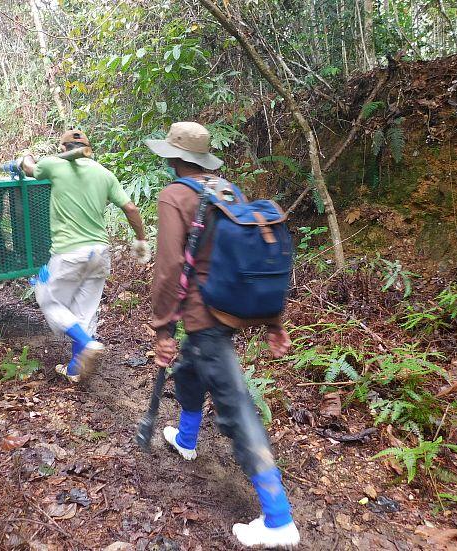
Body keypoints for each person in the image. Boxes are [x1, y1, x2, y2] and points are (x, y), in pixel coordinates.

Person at [146, 122, 300, 548]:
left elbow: (169, 267)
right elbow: (257, 254)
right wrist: (274, 320)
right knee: (189, 368)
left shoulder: (174, 195)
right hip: (230, 306)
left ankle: (278, 518)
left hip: (204, 314)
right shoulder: (227, 191)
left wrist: (162, 326)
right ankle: (187, 438)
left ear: (173, 158)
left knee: (235, 405)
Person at [20, 130, 149, 383]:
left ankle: (87, 343)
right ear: (89, 149)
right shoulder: (104, 173)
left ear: (63, 147)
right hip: (99, 253)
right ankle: (75, 369)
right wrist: (141, 239)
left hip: (69, 252)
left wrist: (27, 156)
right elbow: (130, 208)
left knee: (47, 298)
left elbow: (29, 168)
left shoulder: (53, 164)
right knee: (85, 312)